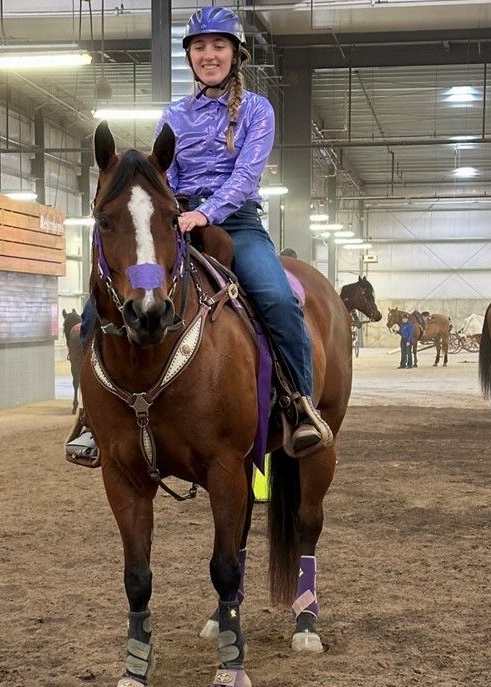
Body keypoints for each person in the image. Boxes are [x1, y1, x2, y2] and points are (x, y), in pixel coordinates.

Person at [68, 6, 332, 462]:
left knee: (276, 298)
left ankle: (298, 405)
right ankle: (91, 416)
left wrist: (206, 214)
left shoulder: (257, 110)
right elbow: (159, 173)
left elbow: (247, 177)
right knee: (100, 303)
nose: (209, 55)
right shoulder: (173, 115)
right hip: (177, 220)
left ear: (236, 54)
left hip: (237, 221)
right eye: (200, 47)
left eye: (219, 46)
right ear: (190, 56)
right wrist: (172, 212)